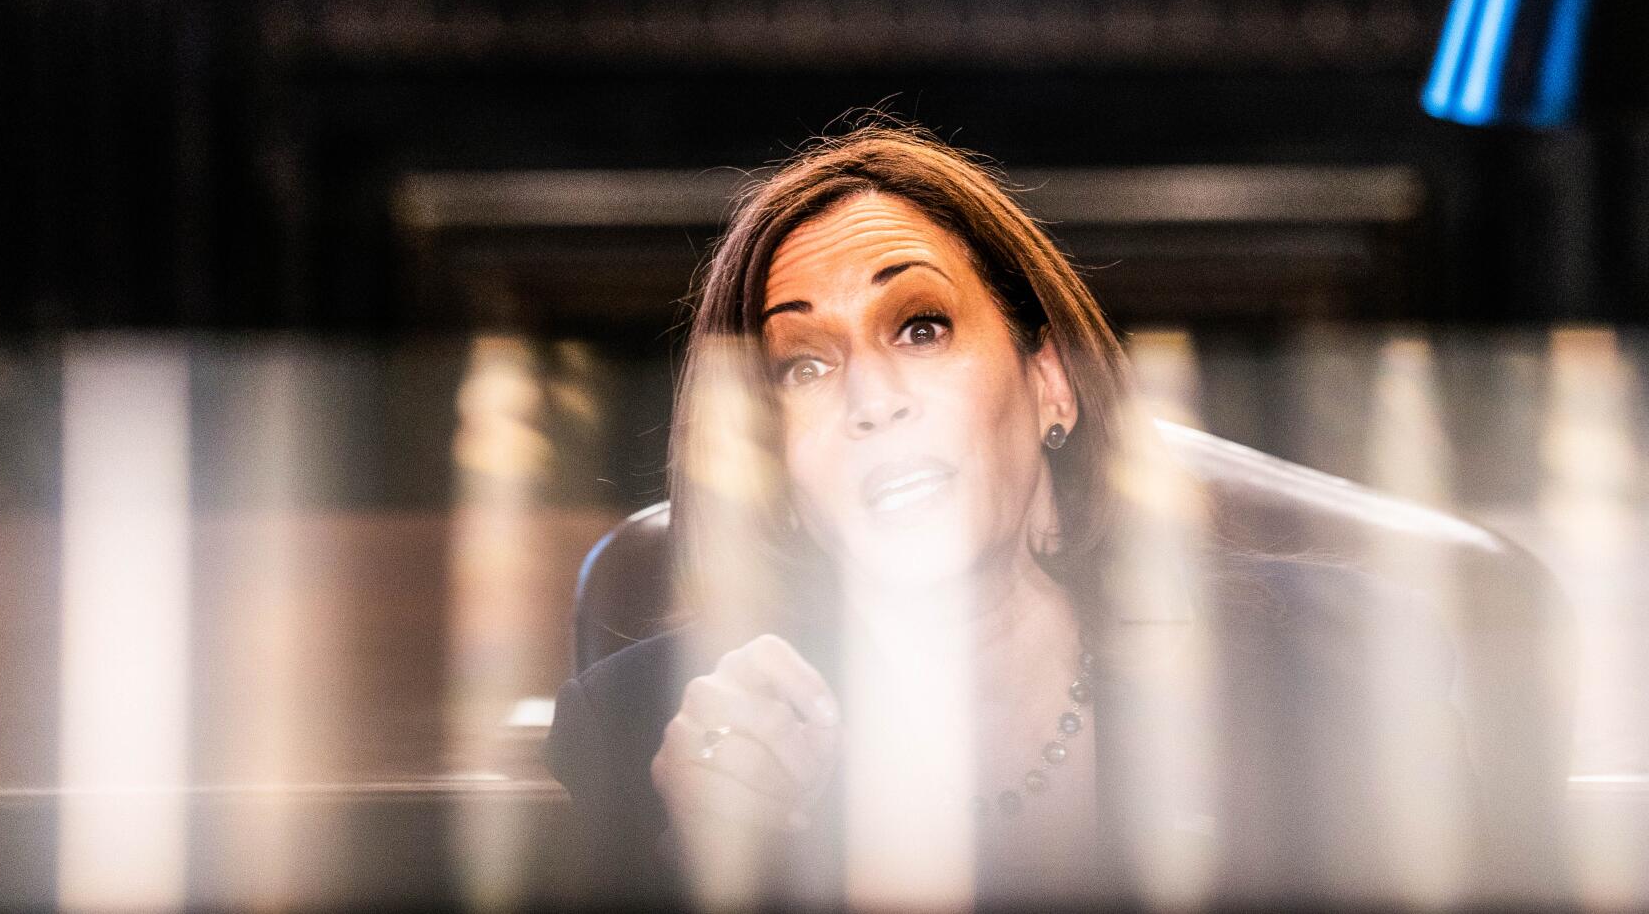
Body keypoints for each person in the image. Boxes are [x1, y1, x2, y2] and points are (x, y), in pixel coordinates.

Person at [545, 122, 1553, 907]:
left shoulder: (1345, 665)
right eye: (803, 365)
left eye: (921, 326)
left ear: (1050, 388)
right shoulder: (637, 735)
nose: (871, 398)